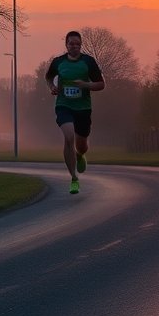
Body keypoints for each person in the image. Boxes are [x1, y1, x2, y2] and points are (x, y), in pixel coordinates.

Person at [45, 30, 105, 194]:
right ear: (66, 45)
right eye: (71, 44)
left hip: (83, 108)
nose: (74, 46)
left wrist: (85, 85)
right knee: (69, 136)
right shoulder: (58, 62)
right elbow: (48, 77)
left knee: (82, 145)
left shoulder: (88, 62)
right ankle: (74, 178)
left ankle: (80, 155)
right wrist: (52, 87)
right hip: (64, 105)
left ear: (80, 45)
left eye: (77, 44)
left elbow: (101, 84)